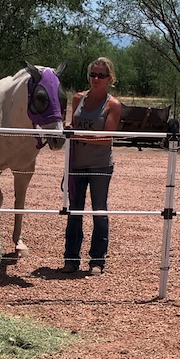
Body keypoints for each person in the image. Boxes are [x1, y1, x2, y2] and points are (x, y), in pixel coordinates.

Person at [62, 57, 122, 276]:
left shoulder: (112, 105)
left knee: (99, 210)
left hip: (100, 165)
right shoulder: (78, 98)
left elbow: (106, 138)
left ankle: (97, 261)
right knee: (74, 211)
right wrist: (70, 130)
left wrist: (77, 135)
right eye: (93, 74)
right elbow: (73, 125)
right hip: (77, 163)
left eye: (101, 75)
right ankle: (71, 259)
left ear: (109, 78)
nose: (96, 79)